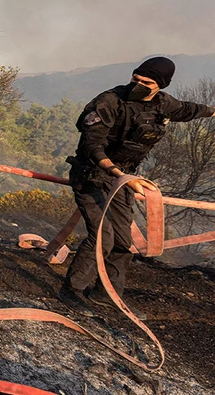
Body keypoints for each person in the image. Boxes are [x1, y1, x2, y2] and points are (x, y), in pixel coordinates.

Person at [57, 57, 215, 317]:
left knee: (122, 241)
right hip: (92, 175)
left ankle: (106, 295)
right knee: (102, 236)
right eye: (135, 78)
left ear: (160, 85)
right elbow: (91, 145)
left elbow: (188, 110)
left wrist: (212, 111)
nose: (138, 84)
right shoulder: (109, 102)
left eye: (146, 82)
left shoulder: (163, 103)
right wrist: (116, 172)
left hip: (124, 179)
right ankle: (71, 291)